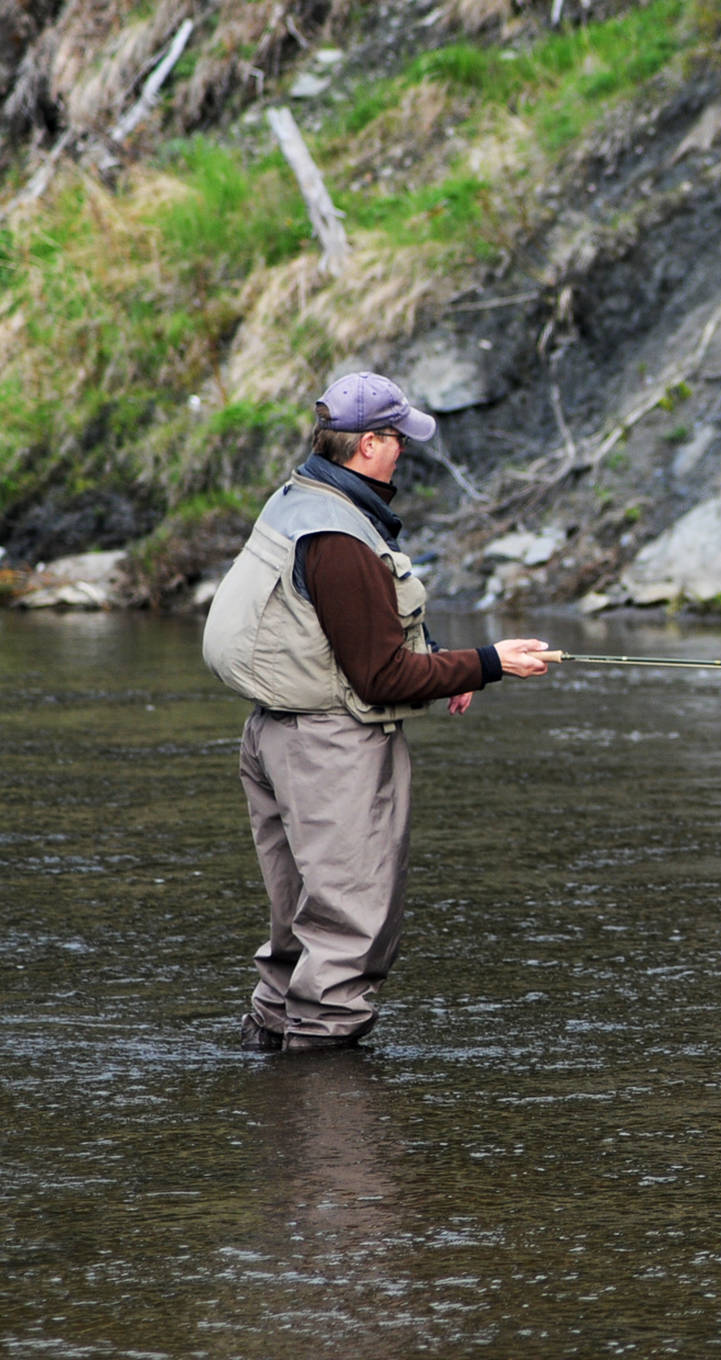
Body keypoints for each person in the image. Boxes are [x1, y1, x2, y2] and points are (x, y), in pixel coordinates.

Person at [202, 372, 553, 1053]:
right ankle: (332, 1125)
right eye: (397, 440)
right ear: (367, 444)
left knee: (298, 921)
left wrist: (445, 661)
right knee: (348, 930)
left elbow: (344, 634)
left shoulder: (298, 498)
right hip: (331, 751)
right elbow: (381, 674)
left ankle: (272, 1076)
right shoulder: (341, 539)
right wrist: (491, 661)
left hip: (275, 735)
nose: (403, 453)